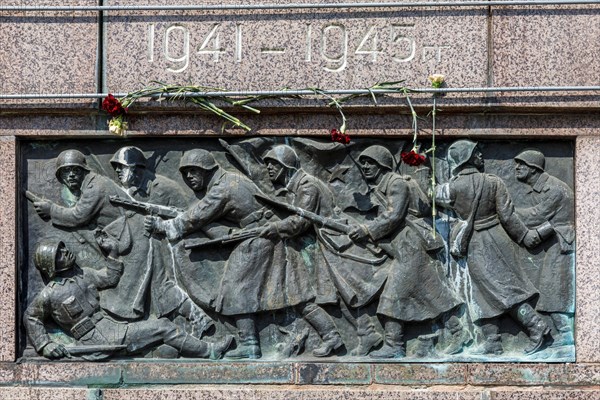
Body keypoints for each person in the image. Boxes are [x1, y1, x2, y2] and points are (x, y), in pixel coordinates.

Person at [145, 149, 277, 359]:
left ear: (207, 169)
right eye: (185, 172)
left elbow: (199, 215)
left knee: (236, 286)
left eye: (193, 171)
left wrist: (165, 225)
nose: (189, 177)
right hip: (257, 232)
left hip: (259, 235)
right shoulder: (227, 180)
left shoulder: (224, 186)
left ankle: (250, 344)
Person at [343, 145, 464, 358]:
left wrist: (366, 229)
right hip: (402, 247)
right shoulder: (383, 186)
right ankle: (458, 331)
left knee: (394, 294)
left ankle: (394, 344)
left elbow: (394, 216)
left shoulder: (396, 183)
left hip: (410, 246)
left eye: (370, 162)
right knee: (429, 291)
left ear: (382, 164)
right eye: (363, 163)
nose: (365, 167)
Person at [23, 239, 232, 361]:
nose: (65, 251)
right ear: (50, 264)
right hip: (97, 342)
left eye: (63, 248)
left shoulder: (83, 274)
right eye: (59, 254)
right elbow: (31, 316)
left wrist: (112, 253)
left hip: (112, 327)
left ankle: (161, 352)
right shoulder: (48, 295)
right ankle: (210, 351)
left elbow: (110, 277)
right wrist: (44, 345)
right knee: (164, 327)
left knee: (161, 339)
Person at [436, 140, 550, 355]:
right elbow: (508, 216)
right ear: (467, 157)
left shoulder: (452, 188)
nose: (481, 155)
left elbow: (430, 196)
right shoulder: (493, 182)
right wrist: (525, 236)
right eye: (476, 152)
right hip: (497, 238)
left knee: (498, 290)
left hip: (476, 242)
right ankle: (493, 341)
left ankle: (536, 325)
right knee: (487, 291)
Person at [107, 146, 213, 336]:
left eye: (121, 167)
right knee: (155, 287)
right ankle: (195, 321)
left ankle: (198, 319)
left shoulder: (165, 187)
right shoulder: (127, 190)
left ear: (136, 169)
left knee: (163, 285)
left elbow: (190, 217)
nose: (117, 171)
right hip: (144, 248)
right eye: (116, 167)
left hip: (173, 247)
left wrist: (162, 224)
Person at [259, 145, 344, 357]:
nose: (268, 168)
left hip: (324, 247)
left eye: (274, 164)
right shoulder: (298, 186)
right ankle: (342, 335)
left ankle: (334, 336)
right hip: (311, 246)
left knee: (303, 297)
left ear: (286, 165)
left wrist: (276, 228)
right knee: (302, 298)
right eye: (268, 164)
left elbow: (300, 221)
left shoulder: (307, 186)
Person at [514, 150, 575, 347]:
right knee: (550, 287)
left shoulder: (554, 189)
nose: (517, 168)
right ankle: (564, 333)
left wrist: (505, 210)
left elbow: (536, 216)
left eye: (521, 165)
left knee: (553, 288)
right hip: (553, 239)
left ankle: (566, 334)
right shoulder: (539, 188)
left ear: (533, 169)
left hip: (562, 243)